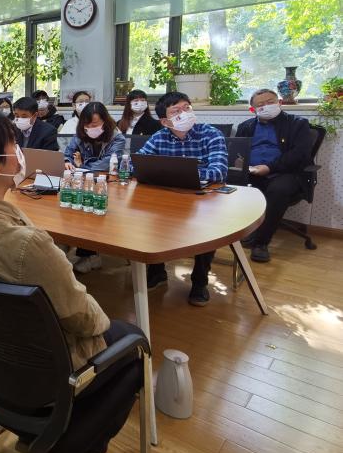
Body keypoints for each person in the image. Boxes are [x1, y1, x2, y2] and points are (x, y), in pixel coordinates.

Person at [0, 108, 141, 453]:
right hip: (43, 378)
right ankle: (72, 443)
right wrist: (103, 323)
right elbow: (83, 318)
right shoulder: (27, 245)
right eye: (13, 146)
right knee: (133, 341)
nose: (20, 153)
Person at [138, 91, 228, 306]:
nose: (184, 113)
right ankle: (157, 271)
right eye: (176, 111)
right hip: (168, 198)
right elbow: (137, 164)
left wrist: (177, 172)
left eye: (187, 107)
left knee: (208, 229)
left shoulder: (210, 134)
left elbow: (219, 171)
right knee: (148, 217)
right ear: (165, 121)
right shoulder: (159, 137)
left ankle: (200, 280)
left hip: (203, 199)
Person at [235, 89, 314, 262]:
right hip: (252, 172)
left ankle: (260, 243)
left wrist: (269, 168)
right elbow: (237, 151)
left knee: (278, 190)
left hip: (285, 172)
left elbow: (300, 155)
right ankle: (236, 232)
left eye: (270, 102)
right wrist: (240, 164)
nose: (266, 106)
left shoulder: (298, 124)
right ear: (253, 110)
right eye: (260, 104)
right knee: (228, 183)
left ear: (279, 102)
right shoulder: (245, 126)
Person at [63, 102, 126, 273]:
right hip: (83, 181)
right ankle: (84, 251)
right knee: (76, 209)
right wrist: (68, 162)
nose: (90, 128)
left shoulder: (117, 138)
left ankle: (91, 254)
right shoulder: (80, 135)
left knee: (93, 211)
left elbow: (106, 163)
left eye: (95, 124)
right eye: (87, 125)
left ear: (105, 121)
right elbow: (67, 153)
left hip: (108, 185)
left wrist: (82, 166)